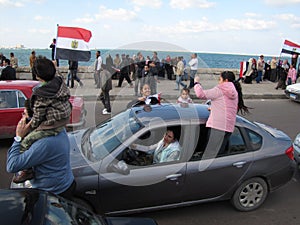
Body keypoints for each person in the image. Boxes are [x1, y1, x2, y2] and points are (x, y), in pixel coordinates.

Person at [6, 56, 75, 200]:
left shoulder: (45, 142)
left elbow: (11, 166)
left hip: (53, 194)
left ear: (37, 76)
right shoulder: (58, 84)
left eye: (25, 113)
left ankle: (27, 171)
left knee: (26, 143)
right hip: (66, 184)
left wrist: (19, 136)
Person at [193, 71, 249, 156]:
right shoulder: (234, 91)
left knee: (210, 154)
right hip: (228, 128)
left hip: (217, 127)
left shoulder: (220, 90)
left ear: (225, 80)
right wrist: (214, 108)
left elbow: (200, 94)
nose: (219, 82)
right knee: (219, 154)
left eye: (220, 79)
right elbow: (227, 105)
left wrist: (196, 83)